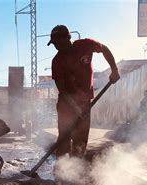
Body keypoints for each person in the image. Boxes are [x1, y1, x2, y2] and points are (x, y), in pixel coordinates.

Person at [48, 25, 120, 158]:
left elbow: (104, 49)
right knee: (64, 139)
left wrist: (114, 69)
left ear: (66, 38)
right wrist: (75, 108)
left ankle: (76, 172)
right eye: (54, 44)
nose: (55, 46)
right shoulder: (57, 61)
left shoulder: (84, 45)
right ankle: (61, 171)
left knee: (80, 141)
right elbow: (63, 91)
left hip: (85, 103)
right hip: (66, 105)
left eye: (57, 43)